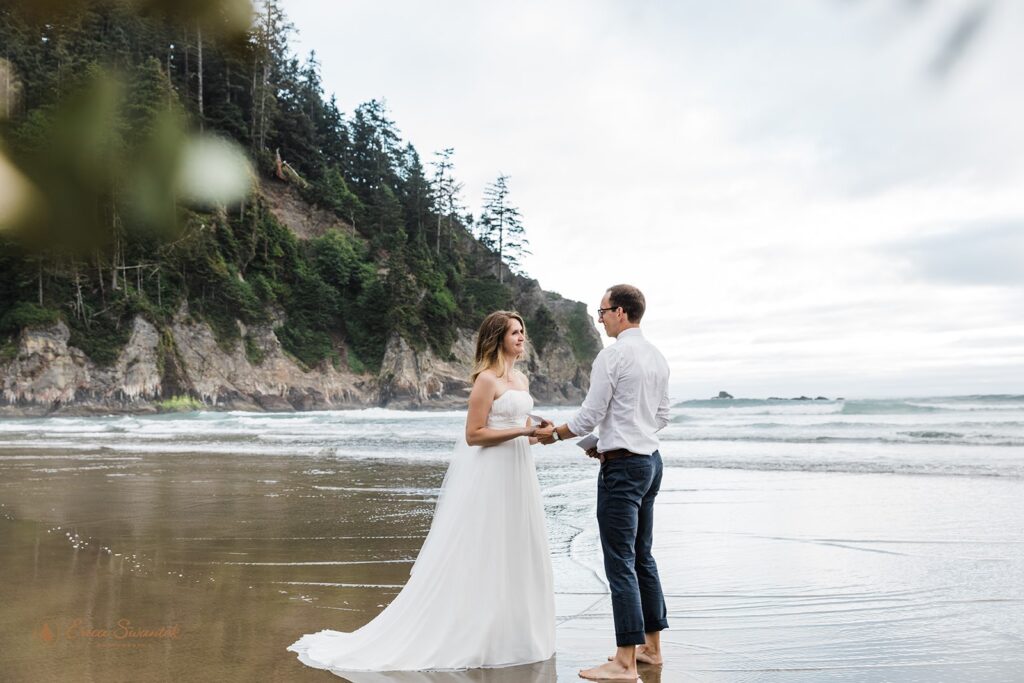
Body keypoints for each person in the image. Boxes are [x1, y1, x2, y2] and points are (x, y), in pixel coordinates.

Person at [288, 311, 557, 673]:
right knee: (485, 549)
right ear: (497, 338)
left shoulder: (521, 379)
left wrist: (537, 429)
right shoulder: (485, 381)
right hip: (491, 474)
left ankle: (513, 633)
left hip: (519, 471)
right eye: (515, 332)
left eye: (523, 332)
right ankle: (475, 633)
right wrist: (520, 433)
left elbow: (518, 423)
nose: (522, 337)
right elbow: (474, 434)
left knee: (515, 546)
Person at [539, 284, 670, 681]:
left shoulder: (613, 356)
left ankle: (624, 662)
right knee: (642, 557)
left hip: (625, 470)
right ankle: (652, 650)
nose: (599, 318)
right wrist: (601, 443)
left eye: (603, 311)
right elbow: (661, 416)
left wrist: (554, 435)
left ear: (622, 312)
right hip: (650, 463)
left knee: (620, 563)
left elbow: (588, 414)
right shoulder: (657, 357)